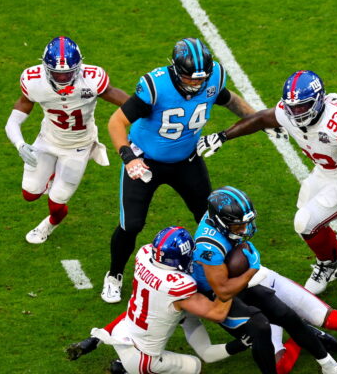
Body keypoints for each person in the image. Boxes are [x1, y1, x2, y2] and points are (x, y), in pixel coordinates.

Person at [102, 38, 257, 303]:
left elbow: (229, 100)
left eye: (202, 79)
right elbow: (116, 122)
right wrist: (128, 158)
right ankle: (114, 274)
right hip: (145, 161)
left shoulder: (214, 76)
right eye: (191, 78)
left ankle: (218, 272)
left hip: (186, 159)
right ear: (174, 69)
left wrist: (257, 118)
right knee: (132, 224)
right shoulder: (156, 85)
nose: (197, 84)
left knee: (210, 218)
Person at [197, 70, 337, 295]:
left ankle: (329, 264)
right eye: (292, 107)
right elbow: (262, 118)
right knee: (307, 217)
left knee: (305, 222)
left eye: (302, 106)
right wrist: (224, 136)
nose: (296, 112)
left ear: (319, 100)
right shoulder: (287, 111)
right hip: (325, 170)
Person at [192, 186, 337, 374]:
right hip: (214, 294)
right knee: (260, 328)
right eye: (238, 225)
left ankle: (328, 365)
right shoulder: (208, 245)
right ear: (220, 222)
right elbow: (222, 291)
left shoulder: (220, 219)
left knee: (286, 315)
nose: (245, 229)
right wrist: (251, 269)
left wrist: (246, 270)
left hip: (234, 279)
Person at [66, 226, 240, 374]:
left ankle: (104, 344)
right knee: (195, 367)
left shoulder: (144, 255)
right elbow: (217, 313)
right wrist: (231, 279)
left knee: (180, 313)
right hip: (144, 361)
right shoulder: (180, 285)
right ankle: (127, 369)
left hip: (124, 331)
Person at [5, 36, 129, 244]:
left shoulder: (92, 79)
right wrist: (20, 144)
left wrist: (147, 109)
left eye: (68, 74)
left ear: (79, 67)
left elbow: (123, 100)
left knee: (57, 202)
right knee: (30, 194)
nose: (62, 79)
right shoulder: (33, 81)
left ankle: (50, 224)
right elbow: (13, 120)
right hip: (47, 141)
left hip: (78, 147)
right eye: (57, 74)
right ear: (45, 68)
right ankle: (52, 173)